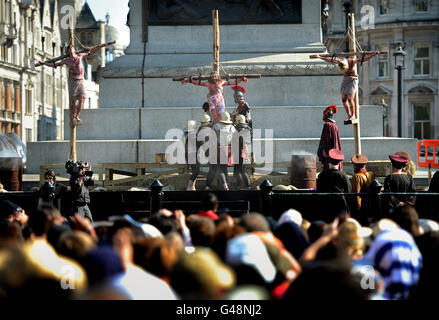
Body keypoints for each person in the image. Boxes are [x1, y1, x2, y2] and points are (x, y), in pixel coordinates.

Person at [37, 41, 110, 126]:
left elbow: (91, 51)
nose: (71, 52)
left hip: (81, 80)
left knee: (82, 98)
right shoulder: (66, 61)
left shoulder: (80, 56)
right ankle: (72, 116)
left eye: (72, 50)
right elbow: (55, 64)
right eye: (69, 50)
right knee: (73, 100)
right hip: (73, 81)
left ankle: (77, 116)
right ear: (68, 52)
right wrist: (44, 63)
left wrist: (101, 46)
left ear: (74, 50)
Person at [311, 51, 381, 123]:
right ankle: (349, 115)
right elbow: (329, 60)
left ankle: (353, 115)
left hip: (353, 79)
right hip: (345, 80)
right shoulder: (340, 62)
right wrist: (319, 57)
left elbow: (365, 59)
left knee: (350, 98)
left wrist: (374, 54)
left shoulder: (352, 61)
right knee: (344, 99)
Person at [181, 73, 248, 123]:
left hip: (220, 100)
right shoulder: (208, 83)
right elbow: (197, 83)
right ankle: (216, 127)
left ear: (218, 77)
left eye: (215, 76)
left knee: (221, 115)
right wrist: (189, 80)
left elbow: (233, 83)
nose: (214, 77)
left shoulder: (222, 82)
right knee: (214, 116)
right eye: (213, 76)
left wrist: (241, 79)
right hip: (212, 100)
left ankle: (220, 126)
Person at [317, 105, 343, 171]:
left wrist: (322, 154)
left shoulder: (327, 125)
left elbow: (325, 141)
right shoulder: (335, 125)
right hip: (335, 154)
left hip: (330, 155)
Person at [215, 112, 236, 191]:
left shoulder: (218, 127)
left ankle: (225, 186)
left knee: (219, 168)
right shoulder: (232, 128)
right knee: (224, 168)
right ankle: (227, 183)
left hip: (220, 148)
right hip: (229, 148)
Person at [350, 154, 372, 224]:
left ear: (355, 166)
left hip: (361, 207)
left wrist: (357, 208)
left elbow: (356, 194)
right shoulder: (370, 174)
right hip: (369, 204)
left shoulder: (356, 177)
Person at [233, 115, 252, 189]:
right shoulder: (248, 129)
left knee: (239, 170)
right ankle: (244, 185)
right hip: (246, 151)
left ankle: (242, 185)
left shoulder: (236, 129)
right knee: (242, 169)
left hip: (238, 151)